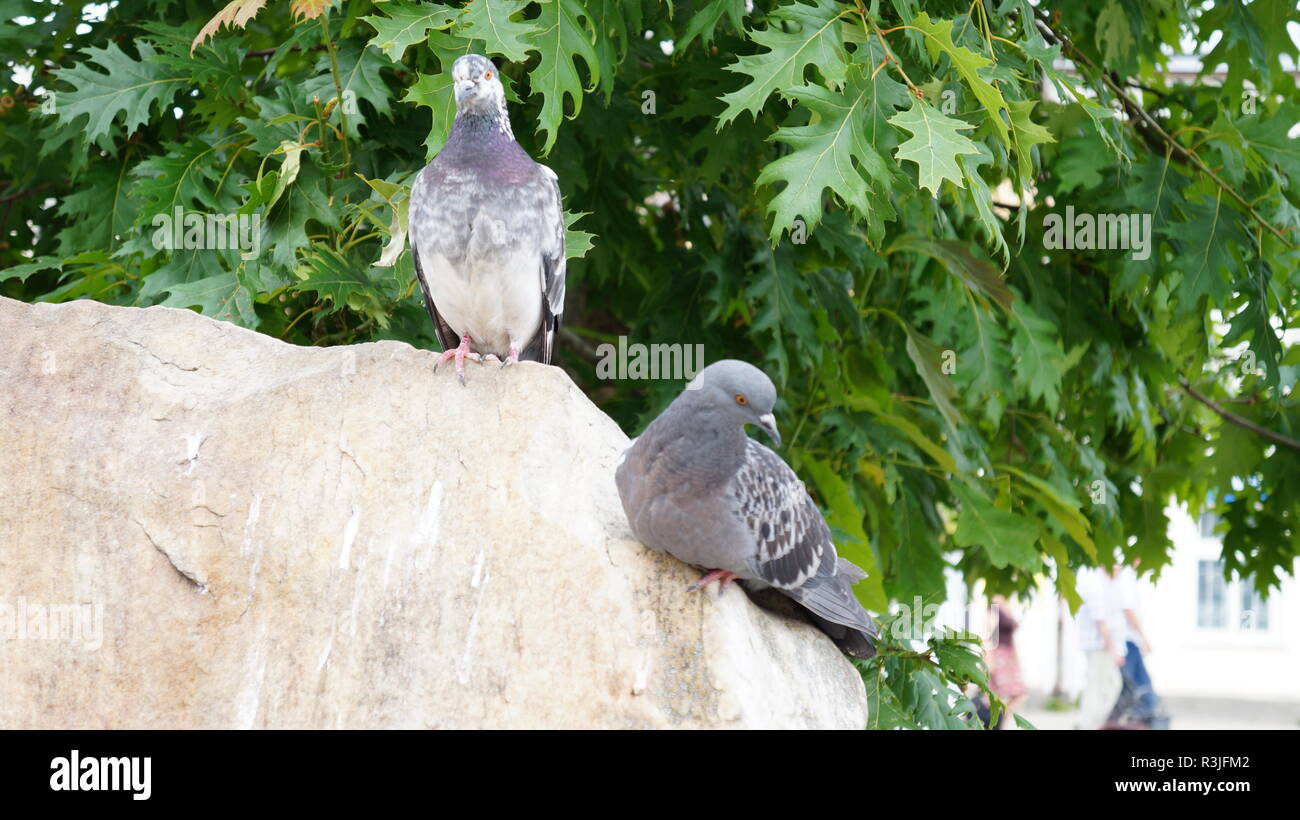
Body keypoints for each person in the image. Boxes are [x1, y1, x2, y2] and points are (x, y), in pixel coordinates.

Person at [1106, 562, 1167, 728]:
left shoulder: (1125, 578)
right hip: (1127, 642)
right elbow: (1128, 610)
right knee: (1138, 687)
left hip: (1128, 642)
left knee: (1134, 688)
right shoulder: (1125, 578)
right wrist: (1144, 639)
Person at [1073, 566, 1126, 729]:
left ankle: (1092, 723)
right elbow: (1101, 622)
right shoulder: (1097, 587)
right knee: (1099, 687)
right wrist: (1113, 649)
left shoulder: (1104, 586)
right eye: (1118, 566)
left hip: (1101, 647)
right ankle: (1088, 724)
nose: (1120, 570)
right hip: (1099, 647)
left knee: (1108, 685)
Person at [987, 596, 1027, 728]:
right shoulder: (993, 604)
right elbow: (988, 633)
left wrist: (1017, 658)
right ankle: (995, 722)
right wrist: (989, 656)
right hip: (998, 654)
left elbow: (1012, 635)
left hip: (1008, 654)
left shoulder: (1007, 604)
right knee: (996, 693)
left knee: (1014, 692)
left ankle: (998, 723)